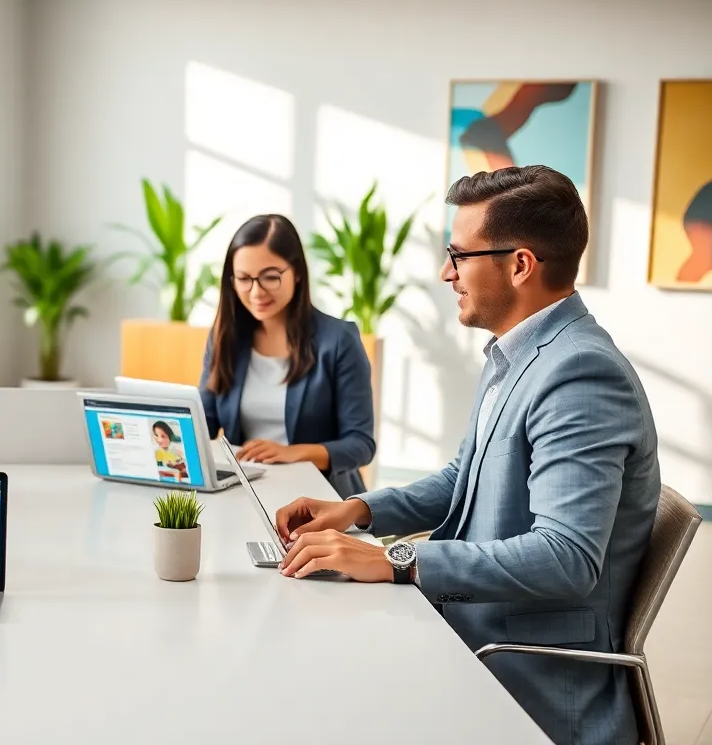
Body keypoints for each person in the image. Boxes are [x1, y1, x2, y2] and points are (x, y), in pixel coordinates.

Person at [272, 165, 660, 745]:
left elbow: (566, 556)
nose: (445, 272)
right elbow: (466, 476)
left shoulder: (580, 373)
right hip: (477, 633)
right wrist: (359, 510)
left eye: (458, 255)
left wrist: (396, 560)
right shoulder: (518, 352)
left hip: (528, 677)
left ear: (520, 265)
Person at [198, 214, 375, 498]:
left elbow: (361, 445)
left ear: (297, 272)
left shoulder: (339, 340)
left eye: (270, 277)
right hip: (246, 493)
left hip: (321, 498)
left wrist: (292, 453)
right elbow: (203, 424)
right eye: (244, 279)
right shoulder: (226, 337)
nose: (256, 292)